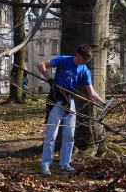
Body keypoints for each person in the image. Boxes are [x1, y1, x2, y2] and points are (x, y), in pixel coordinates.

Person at [38, 44, 104, 175]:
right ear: (78, 55)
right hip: (57, 99)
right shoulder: (64, 60)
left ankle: (64, 164)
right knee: (51, 134)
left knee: (69, 135)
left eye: (88, 61)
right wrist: (50, 80)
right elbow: (41, 65)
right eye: (84, 59)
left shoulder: (85, 70)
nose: (86, 62)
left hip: (70, 101)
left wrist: (103, 103)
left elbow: (91, 93)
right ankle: (45, 165)